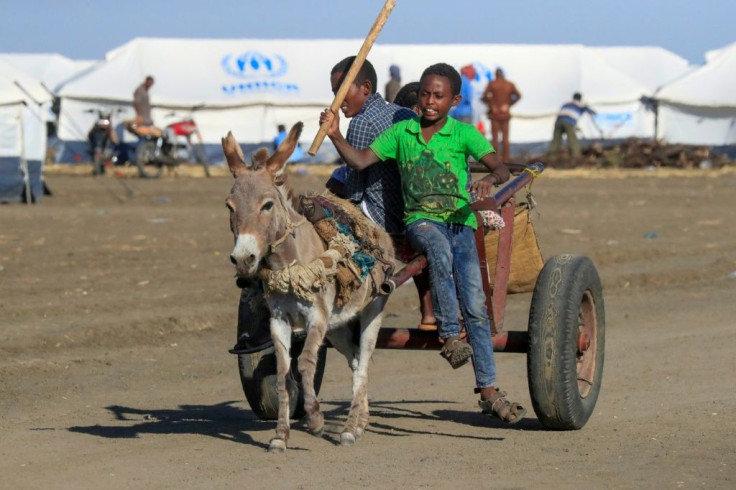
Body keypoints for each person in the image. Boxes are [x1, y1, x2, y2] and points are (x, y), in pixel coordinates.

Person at [319, 62, 526, 424]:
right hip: (421, 222)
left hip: (461, 222)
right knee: (437, 247)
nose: (430, 102)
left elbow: (501, 167)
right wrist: (335, 134)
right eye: (426, 95)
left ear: (454, 100)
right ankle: (448, 335)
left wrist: (488, 180)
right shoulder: (402, 132)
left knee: (476, 307)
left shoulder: (464, 135)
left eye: (439, 96)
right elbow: (361, 160)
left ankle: (489, 390)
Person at [481, 68, 521, 163]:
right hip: (505, 114)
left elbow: (484, 97)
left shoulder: (492, 84)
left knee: (495, 139)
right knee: (505, 139)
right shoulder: (509, 84)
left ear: (496, 74)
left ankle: (496, 161)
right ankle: (506, 160)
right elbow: (518, 96)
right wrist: (508, 104)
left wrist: (492, 105)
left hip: (494, 115)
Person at [548, 92, 597, 158]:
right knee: (572, 140)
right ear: (580, 98)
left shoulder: (566, 104)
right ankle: (576, 156)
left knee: (556, 140)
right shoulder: (581, 105)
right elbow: (591, 112)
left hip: (558, 122)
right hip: (569, 122)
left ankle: (551, 156)